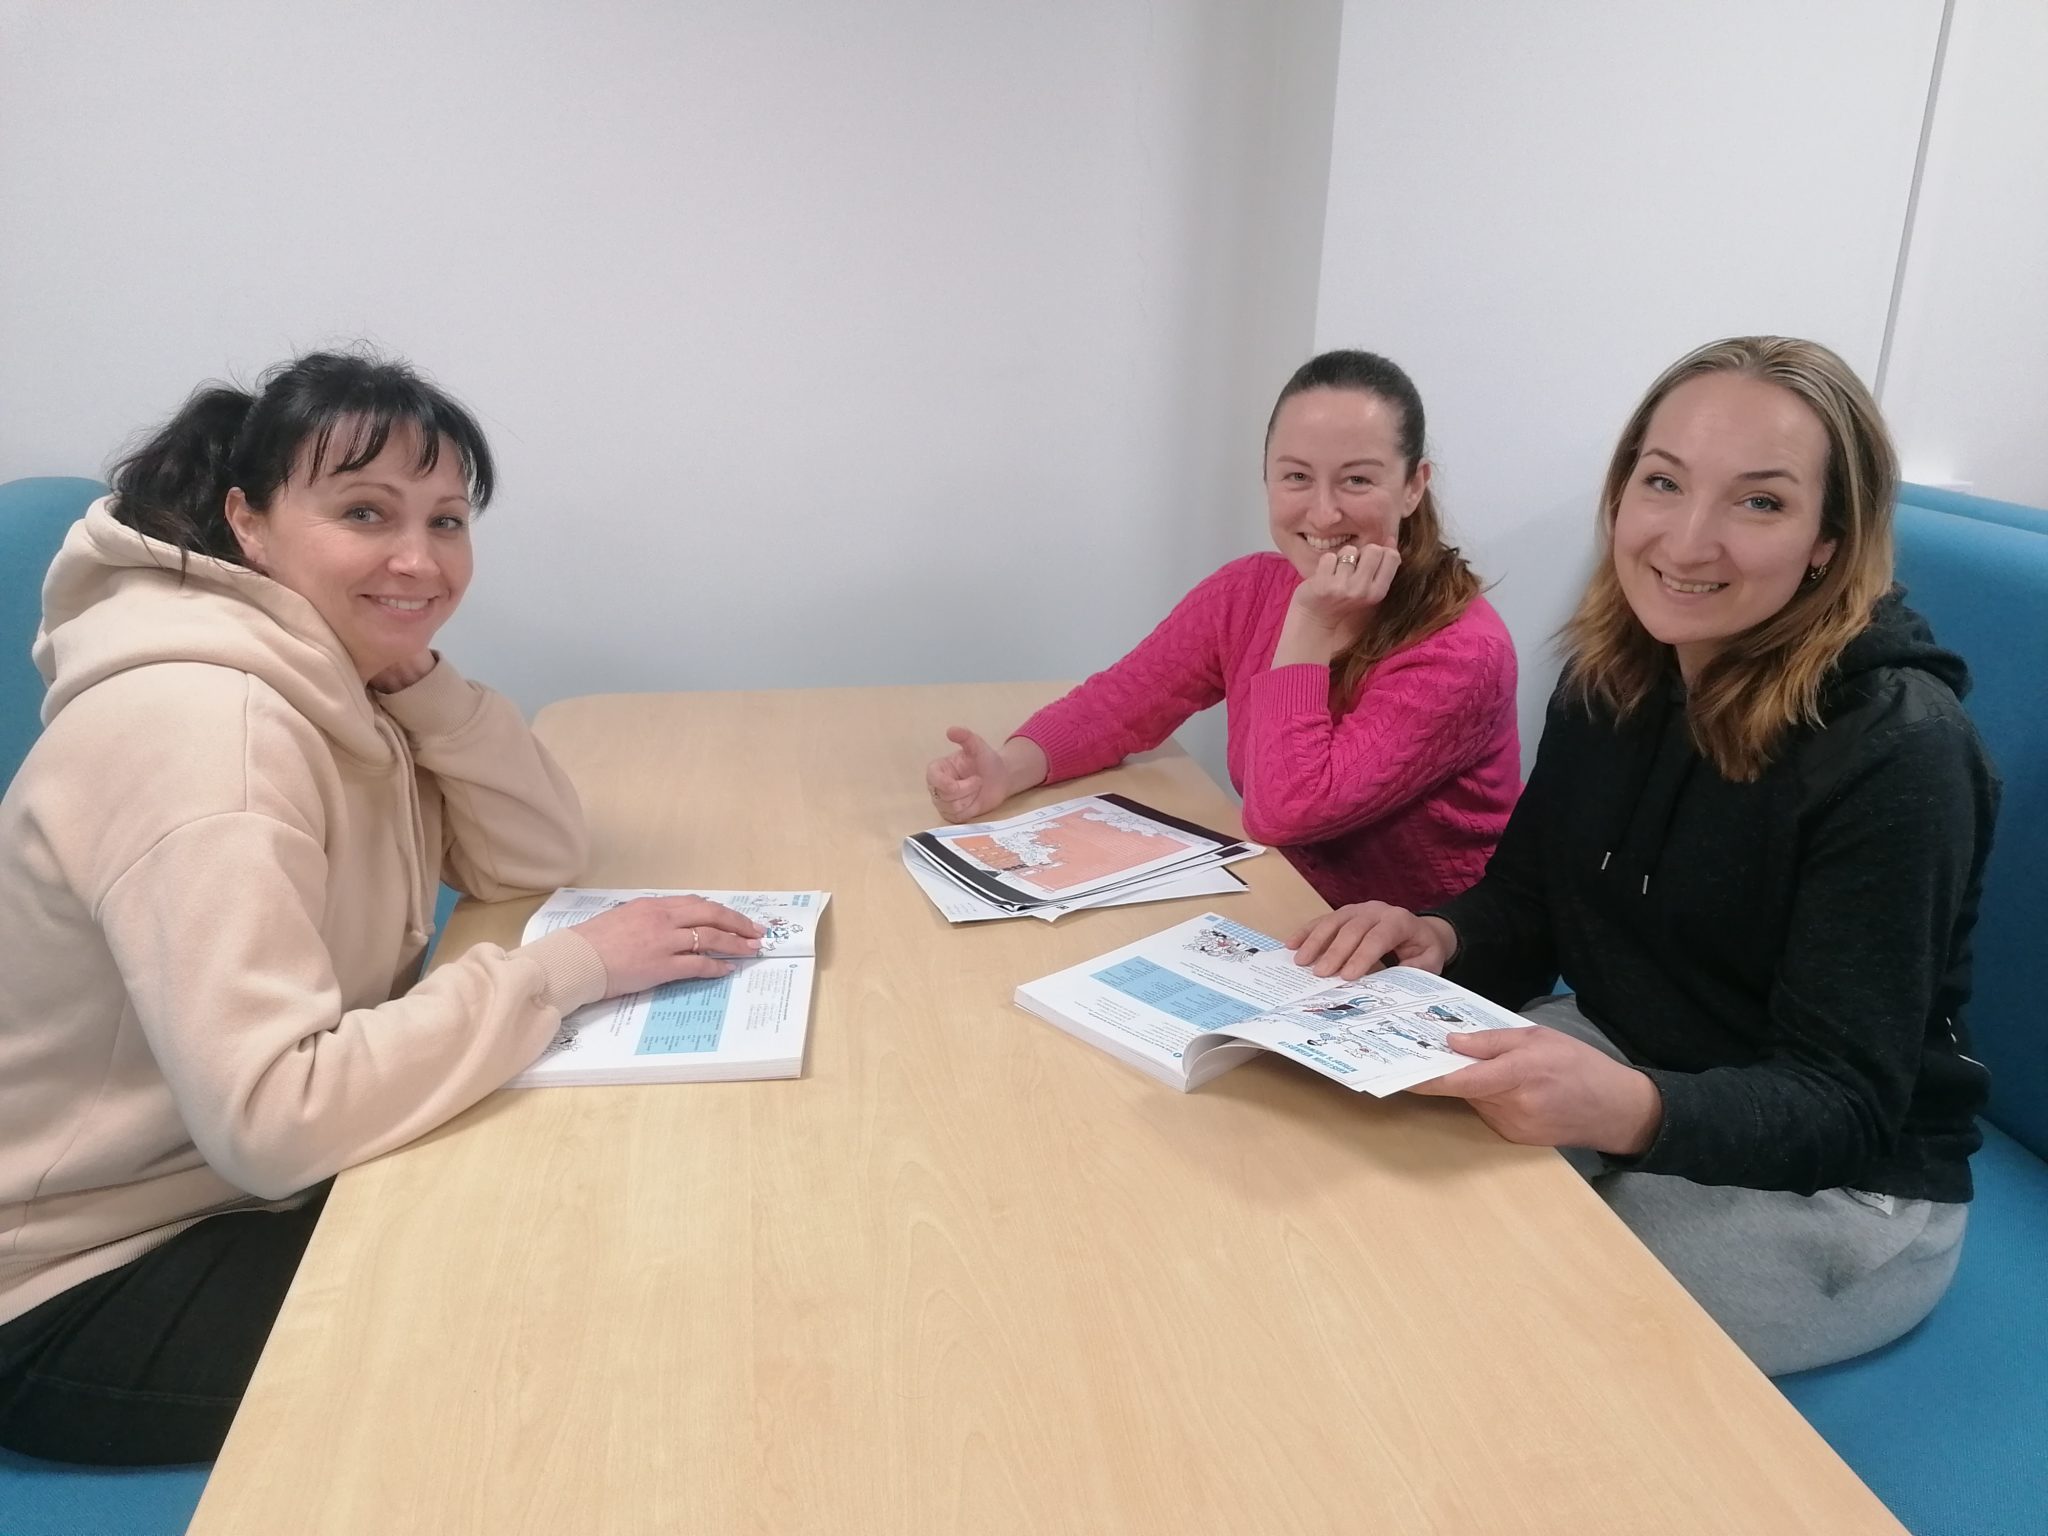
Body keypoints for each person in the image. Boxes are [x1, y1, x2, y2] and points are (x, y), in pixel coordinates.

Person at [0, 351, 764, 1464]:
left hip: (222, 1185)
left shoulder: (334, 675)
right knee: (598, 1336)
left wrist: (422, 682)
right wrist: (567, 972)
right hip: (83, 1277)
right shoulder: (215, 737)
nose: (419, 559)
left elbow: (533, 858)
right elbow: (278, 1118)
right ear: (246, 523)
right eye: (365, 512)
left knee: (615, 1204)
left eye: (447, 521)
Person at [1291, 336, 1998, 1376]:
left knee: (1493, 1341)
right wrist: (1439, 935)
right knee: (1357, 1212)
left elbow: (1843, 1102)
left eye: (1757, 502)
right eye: (1660, 483)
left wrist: (1627, 1109)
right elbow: (1529, 904)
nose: (1686, 540)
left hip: (1839, 1179)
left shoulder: (1898, 750)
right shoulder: (1612, 674)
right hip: (1625, 1056)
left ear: (1826, 540)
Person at [924, 350, 1519, 911]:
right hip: (1285, 905)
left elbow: (1286, 811)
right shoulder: (1249, 590)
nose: (1322, 513)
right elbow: (1120, 705)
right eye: (1296, 477)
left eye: (1358, 480)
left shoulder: (1462, 652)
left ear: (1414, 485)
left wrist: (1310, 624)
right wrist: (1010, 768)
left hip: (1424, 953)